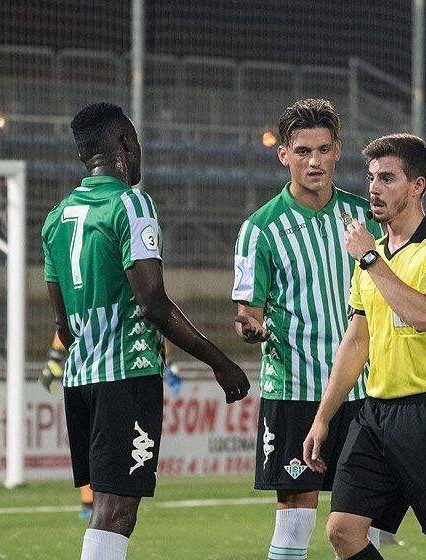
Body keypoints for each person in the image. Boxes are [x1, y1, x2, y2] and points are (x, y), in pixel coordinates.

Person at [233, 100, 426, 560]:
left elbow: (419, 306)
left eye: (323, 149)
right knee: (326, 525)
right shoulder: (267, 229)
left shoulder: (376, 233)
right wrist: (320, 413)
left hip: (415, 403)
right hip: (324, 394)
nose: (314, 161)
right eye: (302, 151)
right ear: (284, 155)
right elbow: (354, 335)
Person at [42, 102, 249, 560]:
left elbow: (62, 323)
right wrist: (221, 361)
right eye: (135, 143)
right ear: (126, 145)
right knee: (116, 510)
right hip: (125, 376)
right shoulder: (131, 204)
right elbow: (152, 302)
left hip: (80, 381)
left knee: (108, 504)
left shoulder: (57, 216)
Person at [304, 133, 426, 560]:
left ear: (417, 185)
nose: (374, 189)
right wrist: (323, 417)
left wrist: (369, 261)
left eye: (387, 178)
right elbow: (356, 340)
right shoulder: (374, 256)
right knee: (342, 530)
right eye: (370, 178)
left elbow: (422, 317)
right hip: (376, 412)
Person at [38, 333, 181, 521]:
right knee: (105, 444)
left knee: (94, 444)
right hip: (112, 375)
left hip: (82, 376)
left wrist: (54, 357)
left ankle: (91, 503)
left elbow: (64, 321)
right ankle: (100, 505)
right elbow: (156, 316)